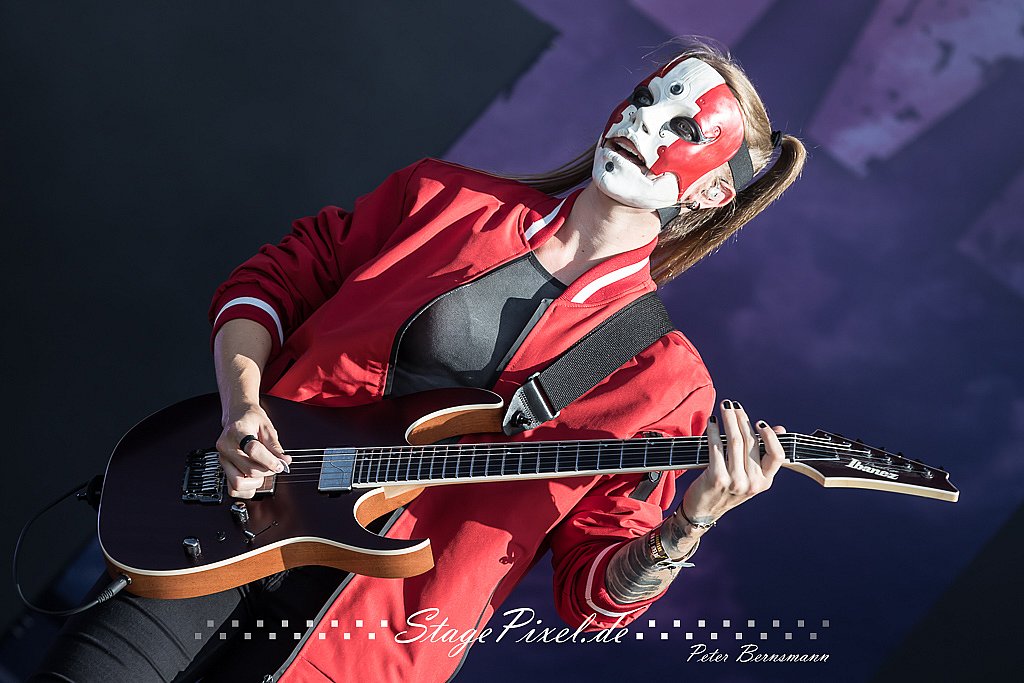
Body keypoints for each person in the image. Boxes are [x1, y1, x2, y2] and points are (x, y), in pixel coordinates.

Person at [30, 39, 806, 682]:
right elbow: (269, 282)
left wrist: (688, 523)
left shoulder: (665, 383)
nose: (643, 118)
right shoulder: (442, 198)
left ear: (712, 194)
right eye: (645, 95)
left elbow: (589, 597)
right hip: (218, 528)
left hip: (361, 653)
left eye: (683, 122)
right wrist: (243, 406)